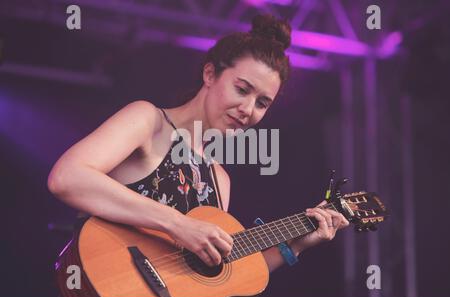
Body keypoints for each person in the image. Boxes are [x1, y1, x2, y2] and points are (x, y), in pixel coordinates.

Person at [47, 14, 349, 275]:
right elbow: (67, 177)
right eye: (242, 89)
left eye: (262, 102)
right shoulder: (148, 121)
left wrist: (296, 245)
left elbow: (221, 275)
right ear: (210, 74)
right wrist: (178, 224)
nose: (248, 109)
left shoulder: (220, 180)